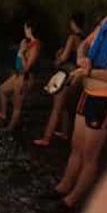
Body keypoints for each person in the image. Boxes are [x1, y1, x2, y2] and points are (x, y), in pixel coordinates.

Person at [41, 0, 107, 213]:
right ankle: (63, 187)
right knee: (76, 147)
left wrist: (89, 72)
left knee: (90, 156)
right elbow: (84, 43)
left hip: (106, 100)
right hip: (87, 93)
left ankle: (71, 201)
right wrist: (83, 57)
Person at [33, 13, 85, 147]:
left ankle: (46, 138)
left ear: (73, 23)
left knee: (56, 108)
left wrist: (57, 59)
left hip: (66, 73)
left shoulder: (72, 38)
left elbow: (64, 57)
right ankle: (64, 133)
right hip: (77, 76)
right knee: (65, 106)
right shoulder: (86, 38)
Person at [0, 20, 42, 131]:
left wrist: (22, 53)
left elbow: (27, 68)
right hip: (18, 74)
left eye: (25, 28)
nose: (24, 31)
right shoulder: (28, 42)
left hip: (25, 77)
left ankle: (10, 128)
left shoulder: (36, 46)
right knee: (2, 89)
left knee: (17, 105)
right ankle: (3, 114)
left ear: (30, 29)